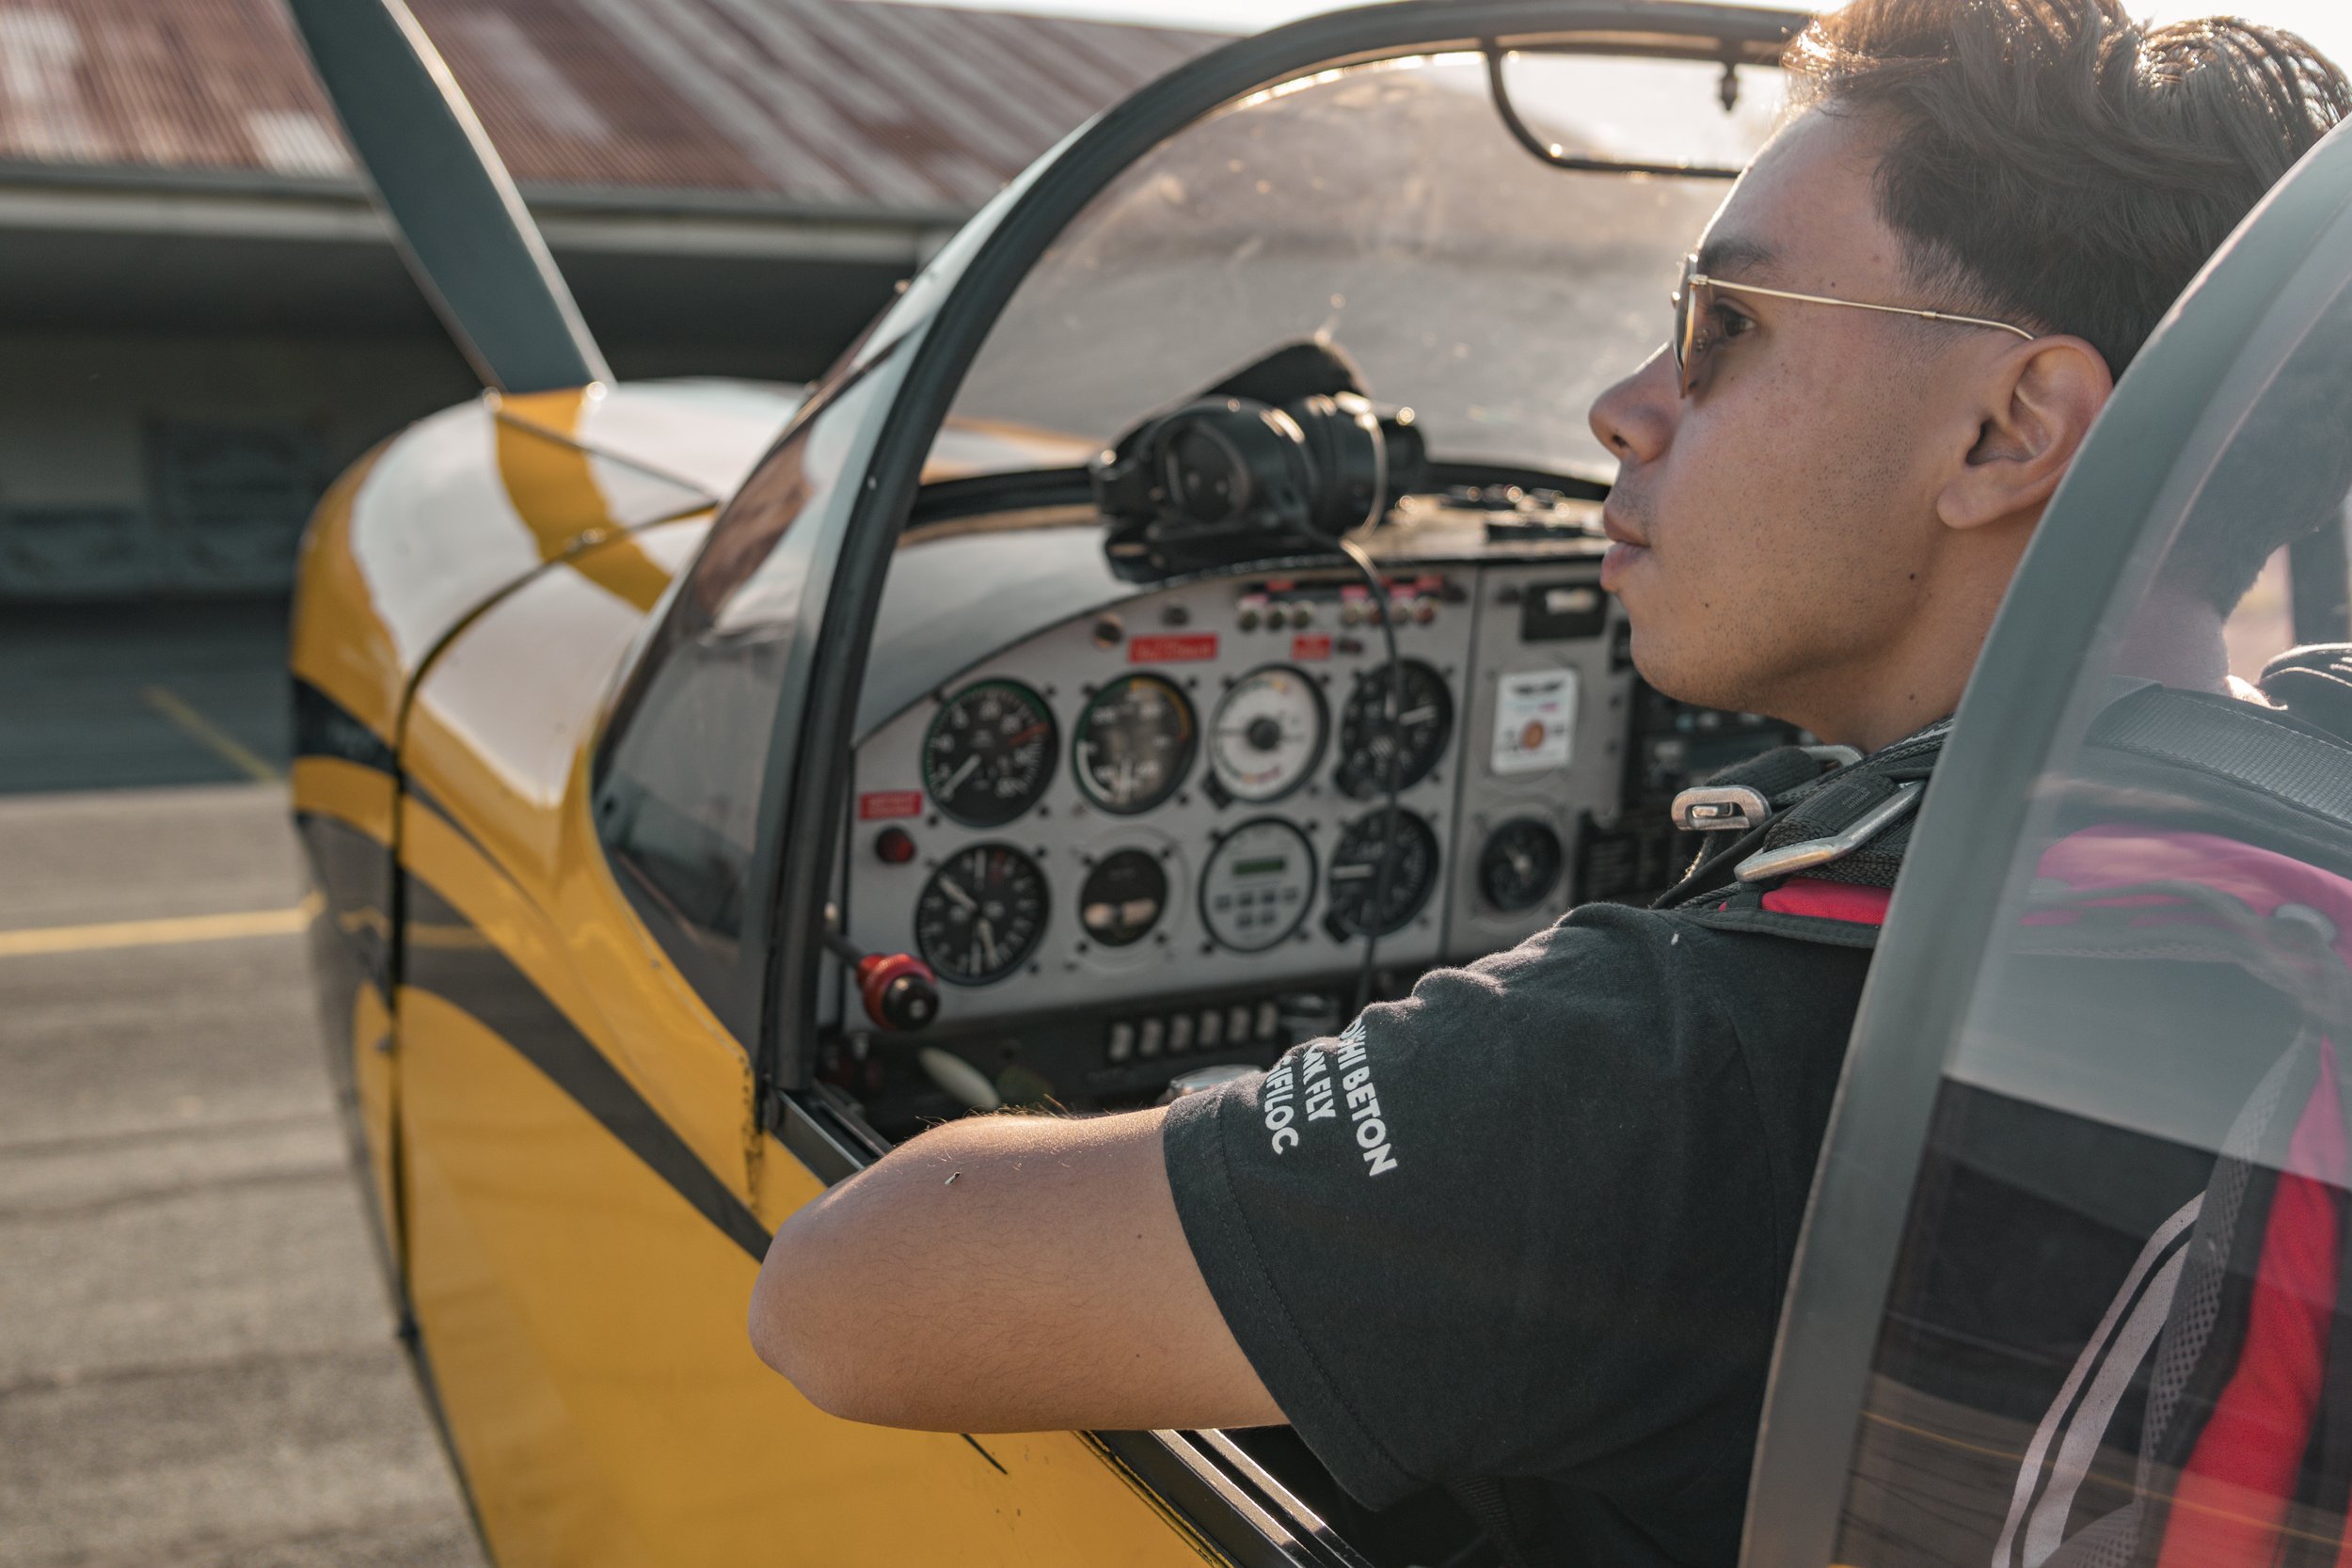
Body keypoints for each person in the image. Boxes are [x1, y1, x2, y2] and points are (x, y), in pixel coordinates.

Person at [747, 2, 2352, 1561]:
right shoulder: (2310, 826)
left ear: (2011, 432)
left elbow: (840, 1296)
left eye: (1720, 328)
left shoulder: (1678, 1076)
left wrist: (1389, 1087)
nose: (1622, 407)